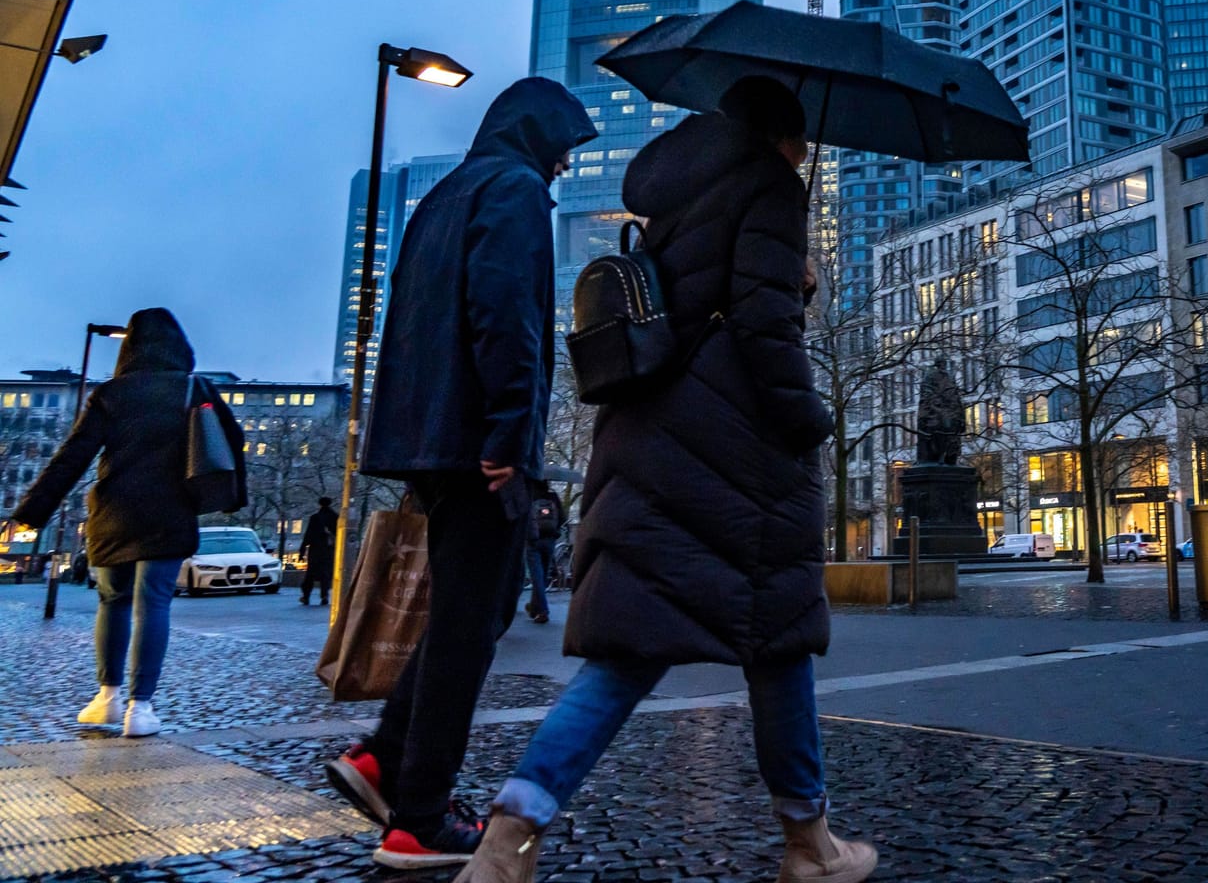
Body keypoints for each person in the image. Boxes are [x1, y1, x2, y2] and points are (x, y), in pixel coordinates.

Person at [455, 76, 876, 883]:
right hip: (739, 455)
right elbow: (760, 327)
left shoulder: (672, 200)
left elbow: (704, 302)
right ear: (788, 138)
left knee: (625, 654)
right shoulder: (773, 188)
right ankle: (809, 844)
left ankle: (507, 841)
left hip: (649, 442)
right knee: (779, 643)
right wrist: (808, 419)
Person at [323, 77, 595, 872]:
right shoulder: (513, 190)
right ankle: (419, 816)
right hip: (480, 441)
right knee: (473, 623)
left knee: (468, 615)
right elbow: (506, 312)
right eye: (562, 149)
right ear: (538, 135)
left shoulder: (444, 196)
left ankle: (384, 760)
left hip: (428, 438)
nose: (563, 168)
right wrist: (512, 431)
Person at [8, 309, 243, 738]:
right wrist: (226, 496)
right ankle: (142, 708)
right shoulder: (195, 388)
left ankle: (108, 698)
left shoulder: (111, 394)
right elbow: (231, 440)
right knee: (153, 603)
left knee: (112, 601)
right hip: (170, 511)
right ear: (180, 345)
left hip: (114, 511)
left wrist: (29, 513)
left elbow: (72, 456)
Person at [523, 482, 561, 624]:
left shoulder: (530, 496)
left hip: (533, 541)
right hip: (550, 540)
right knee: (543, 576)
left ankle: (542, 611)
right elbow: (561, 517)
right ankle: (534, 607)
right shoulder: (553, 497)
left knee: (537, 577)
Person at [297, 497, 338, 606]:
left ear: (319, 504)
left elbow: (308, 535)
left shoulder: (315, 518)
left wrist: (302, 551)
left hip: (315, 550)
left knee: (310, 574)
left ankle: (306, 596)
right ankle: (324, 595)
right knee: (326, 573)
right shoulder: (336, 517)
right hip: (330, 550)